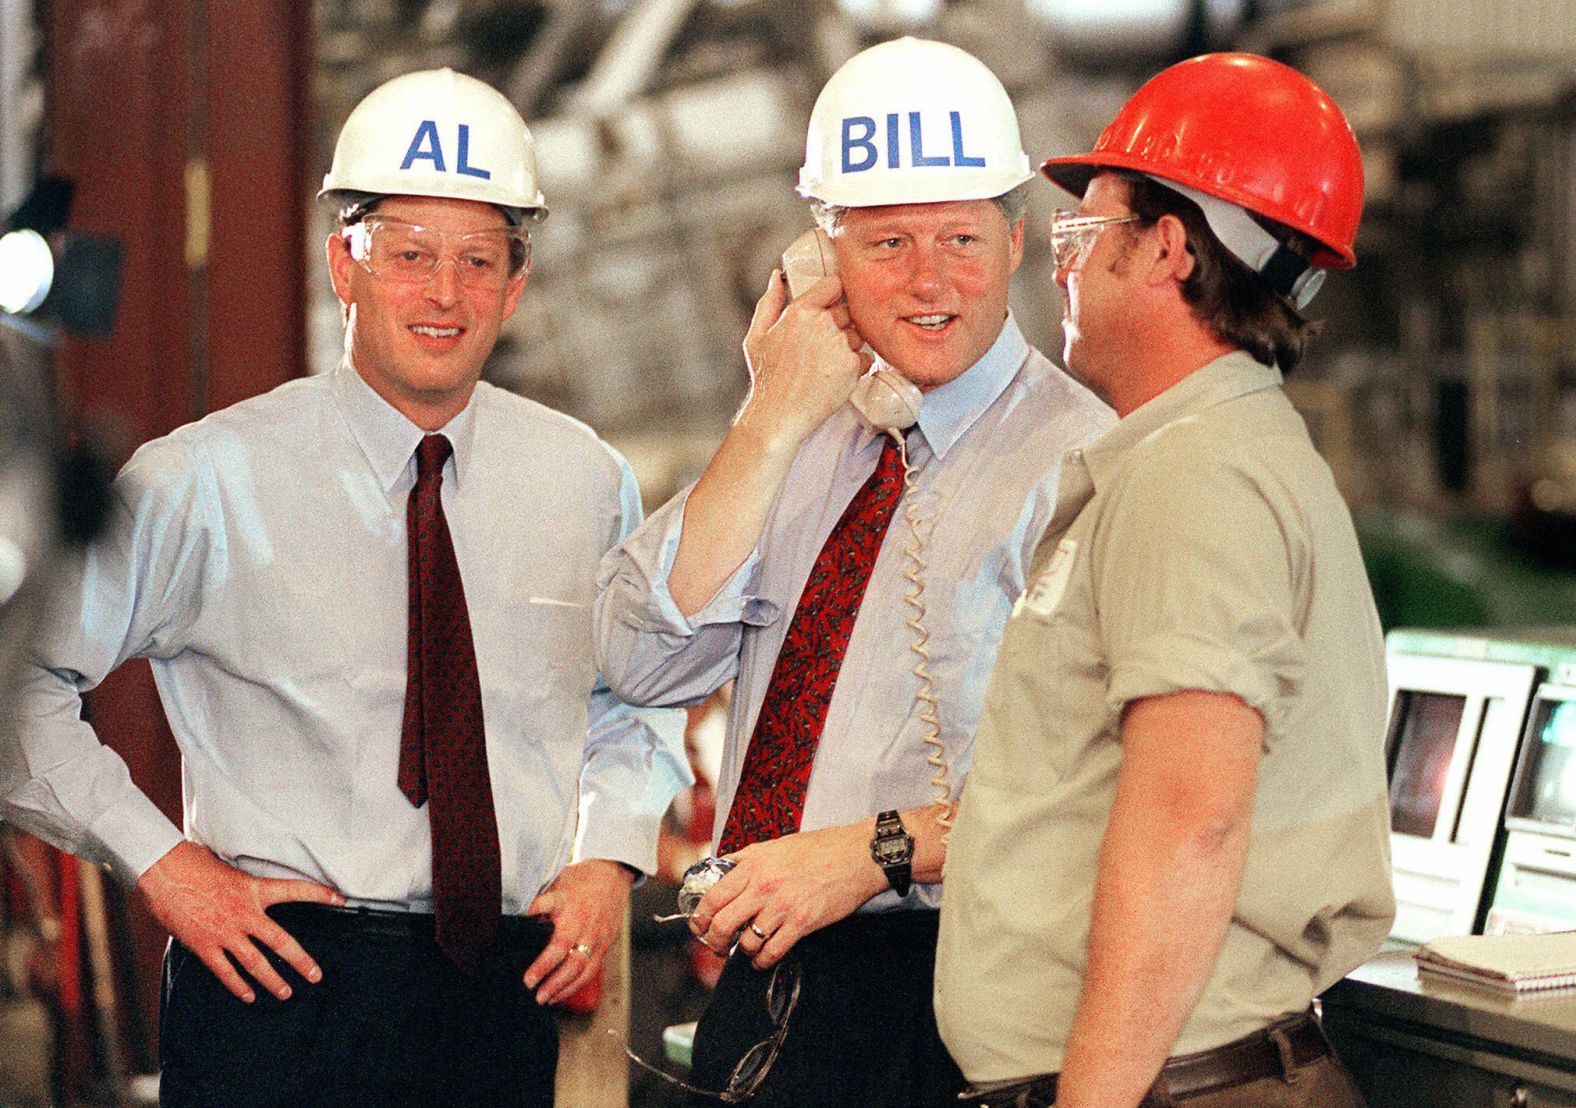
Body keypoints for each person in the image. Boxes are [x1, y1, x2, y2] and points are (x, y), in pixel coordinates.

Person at [0, 67, 687, 1107]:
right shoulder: (201, 482)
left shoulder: (584, 480)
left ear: (517, 281)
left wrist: (608, 859)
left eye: (476, 259)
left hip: (502, 991)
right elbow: (18, 687)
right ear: (344, 265)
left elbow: (633, 696)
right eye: (408, 254)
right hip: (281, 986)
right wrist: (165, 867)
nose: (444, 294)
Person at [595, 36, 1113, 1108]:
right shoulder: (798, 434)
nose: (929, 281)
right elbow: (639, 660)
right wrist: (769, 414)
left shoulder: (1087, 463)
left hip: (960, 993)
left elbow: (1103, 789)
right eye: (884, 244)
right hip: (769, 973)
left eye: (959, 238)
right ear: (820, 260)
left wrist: (868, 854)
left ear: (1016, 240)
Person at [934, 53, 1396, 1108]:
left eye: (1078, 237)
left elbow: (1192, 819)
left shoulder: (1196, 477)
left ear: (1168, 250)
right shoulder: (1202, 456)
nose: (1057, 270)